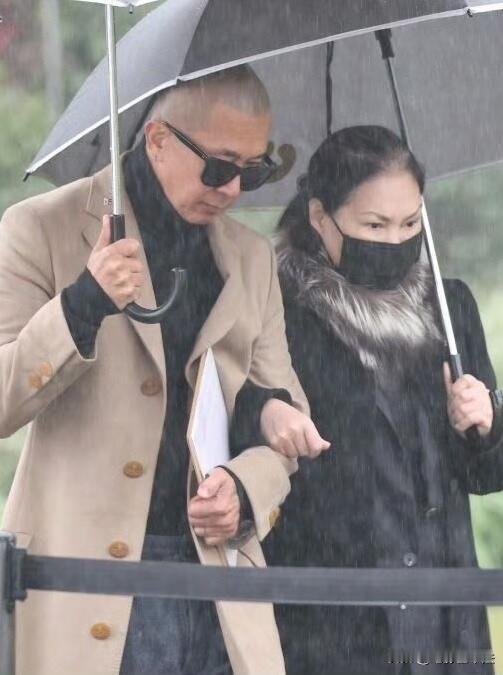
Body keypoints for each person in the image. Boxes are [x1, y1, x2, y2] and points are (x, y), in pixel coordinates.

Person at [0, 65, 329, 675]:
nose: (234, 189)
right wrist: (82, 304)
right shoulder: (40, 229)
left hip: (220, 588)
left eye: (256, 170)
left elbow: (287, 416)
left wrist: (245, 491)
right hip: (84, 584)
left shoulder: (251, 259)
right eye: (220, 167)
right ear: (157, 139)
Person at [264, 125, 503, 675]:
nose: (395, 241)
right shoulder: (284, 316)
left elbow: (488, 476)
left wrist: (487, 425)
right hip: (336, 624)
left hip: (447, 620)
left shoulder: (450, 309)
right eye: (374, 225)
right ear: (320, 217)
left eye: (411, 223)